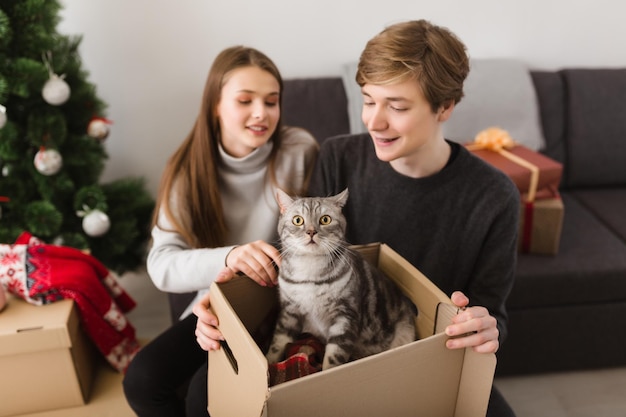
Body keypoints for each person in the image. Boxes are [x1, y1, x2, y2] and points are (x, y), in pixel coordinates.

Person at [196, 20, 519, 416]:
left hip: (424, 354)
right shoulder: (338, 157)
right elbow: (296, 267)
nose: (373, 122)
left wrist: (487, 329)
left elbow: (493, 313)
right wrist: (220, 308)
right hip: (341, 343)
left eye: (397, 106)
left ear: (445, 107)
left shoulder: (494, 196)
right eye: (368, 100)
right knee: (203, 394)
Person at [123, 45, 319, 417]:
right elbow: (162, 264)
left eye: (271, 101)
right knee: (142, 379)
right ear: (215, 104)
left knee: (205, 394)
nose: (261, 113)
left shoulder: (300, 150)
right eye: (245, 100)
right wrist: (230, 256)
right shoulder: (187, 169)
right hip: (225, 306)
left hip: (287, 306)